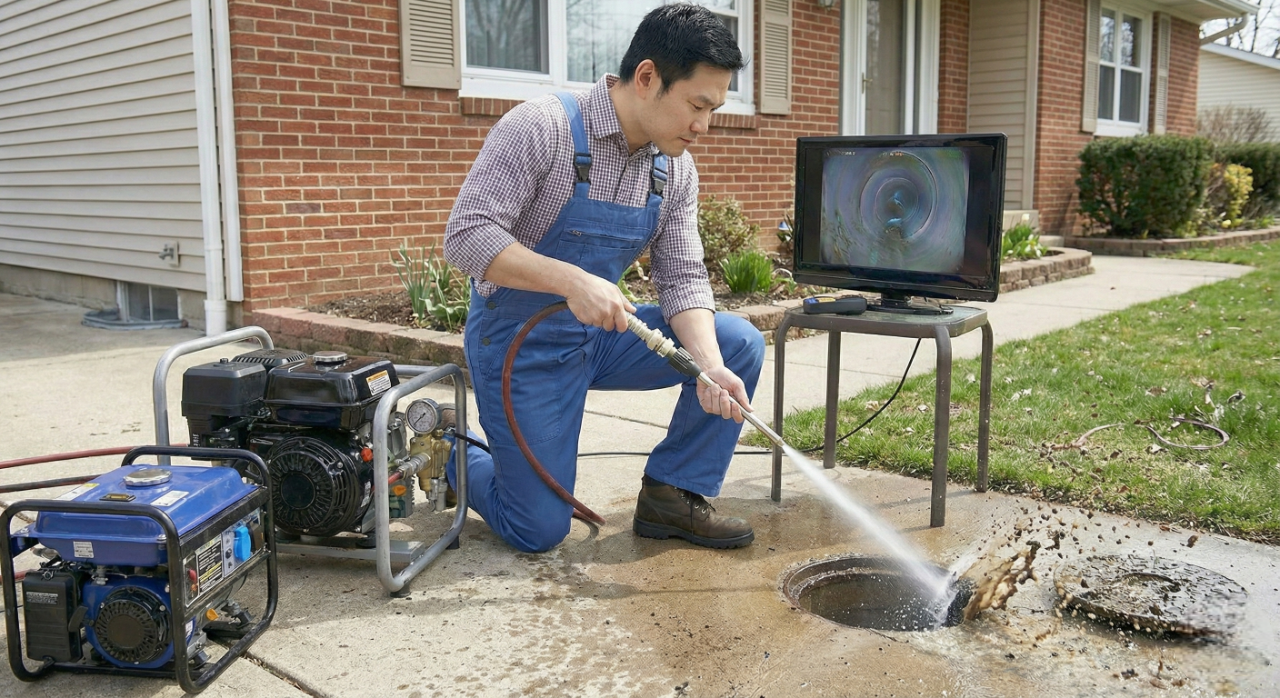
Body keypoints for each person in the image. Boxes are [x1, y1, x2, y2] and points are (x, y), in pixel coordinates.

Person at [442, 3, 765, 554]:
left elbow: (683, 274)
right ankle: (456, 450)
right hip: (522, 345)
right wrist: (570, 280)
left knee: (736, 346)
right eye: (697, 105)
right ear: (647, 78)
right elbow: (466, 236)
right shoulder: (540, 127)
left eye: (714, 109)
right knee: (538, 530)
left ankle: (673, 495)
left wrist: (709, 370)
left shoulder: (675, 167)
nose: (703, 126)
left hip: (600, 339)